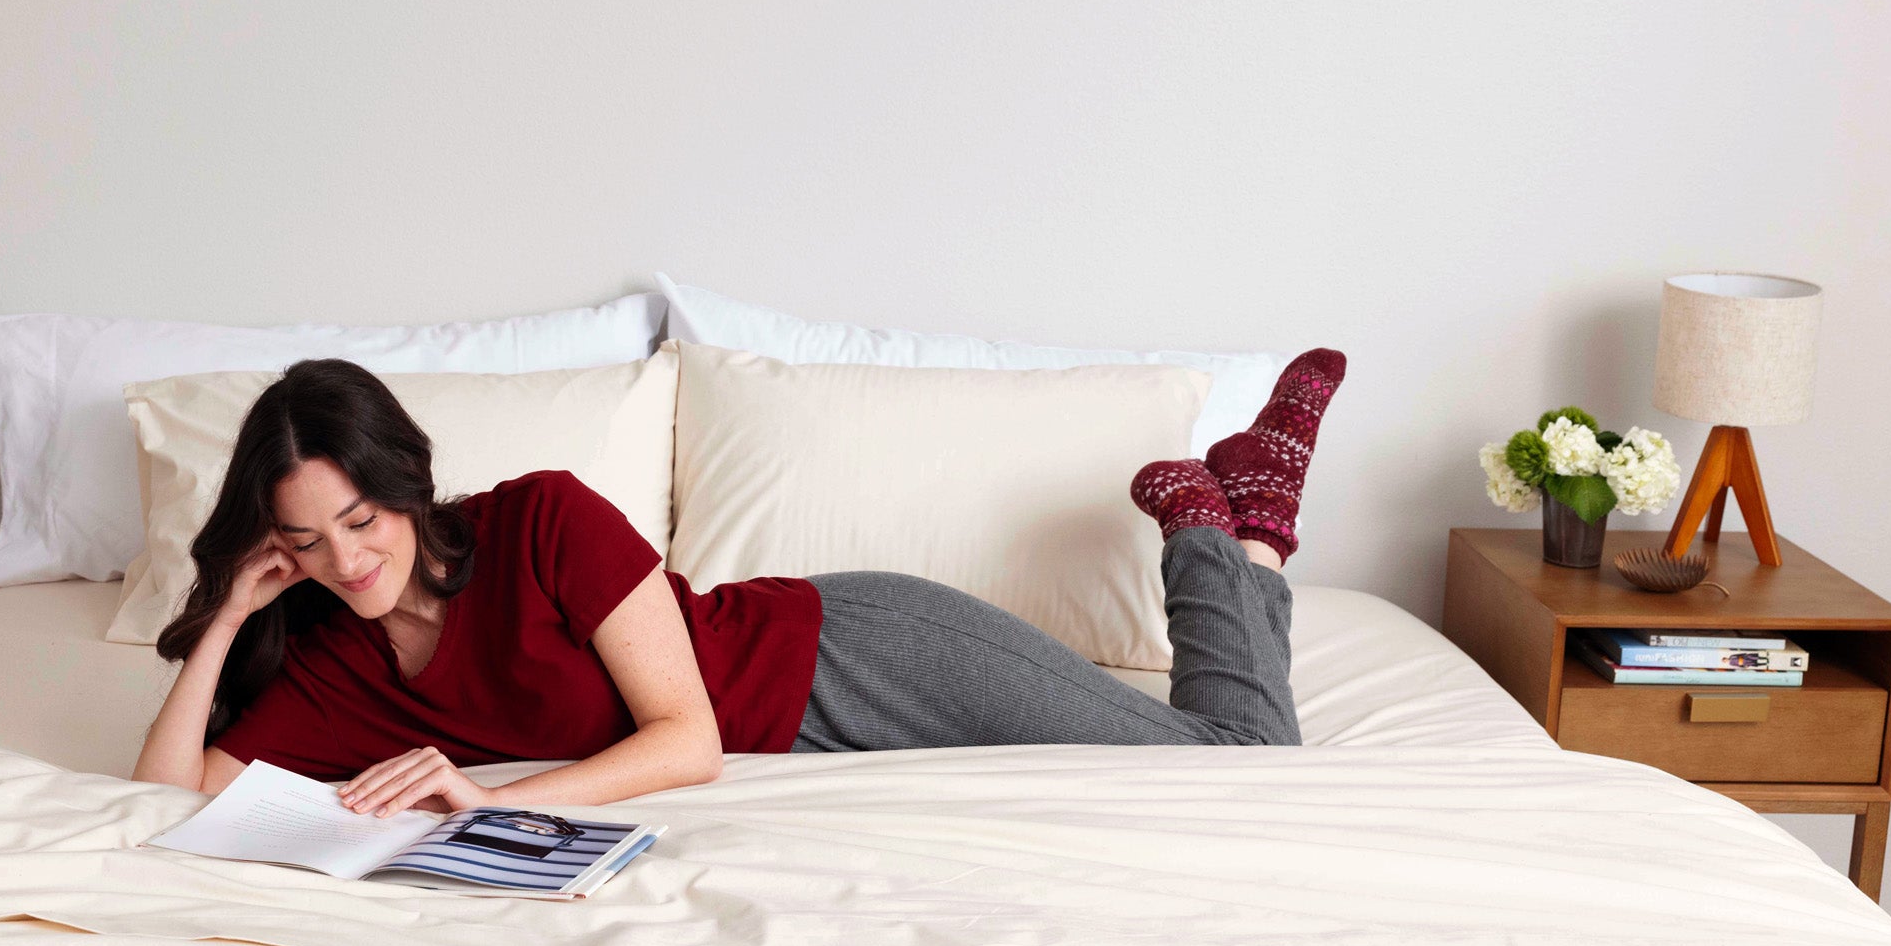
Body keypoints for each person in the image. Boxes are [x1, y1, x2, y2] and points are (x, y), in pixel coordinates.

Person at [132, 351, 1347, 817]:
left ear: (405, 482)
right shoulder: (337, 656)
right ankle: (1251, 531)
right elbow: (165, 791)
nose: (348, 560)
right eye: (308, 539)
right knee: (1231, 764)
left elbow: (688, 740)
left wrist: (491, 806)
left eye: (362, 518)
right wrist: (233, 613)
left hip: (854, 654)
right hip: (817, 736)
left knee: (1241, 770)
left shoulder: (542, 517)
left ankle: (1224, 541)